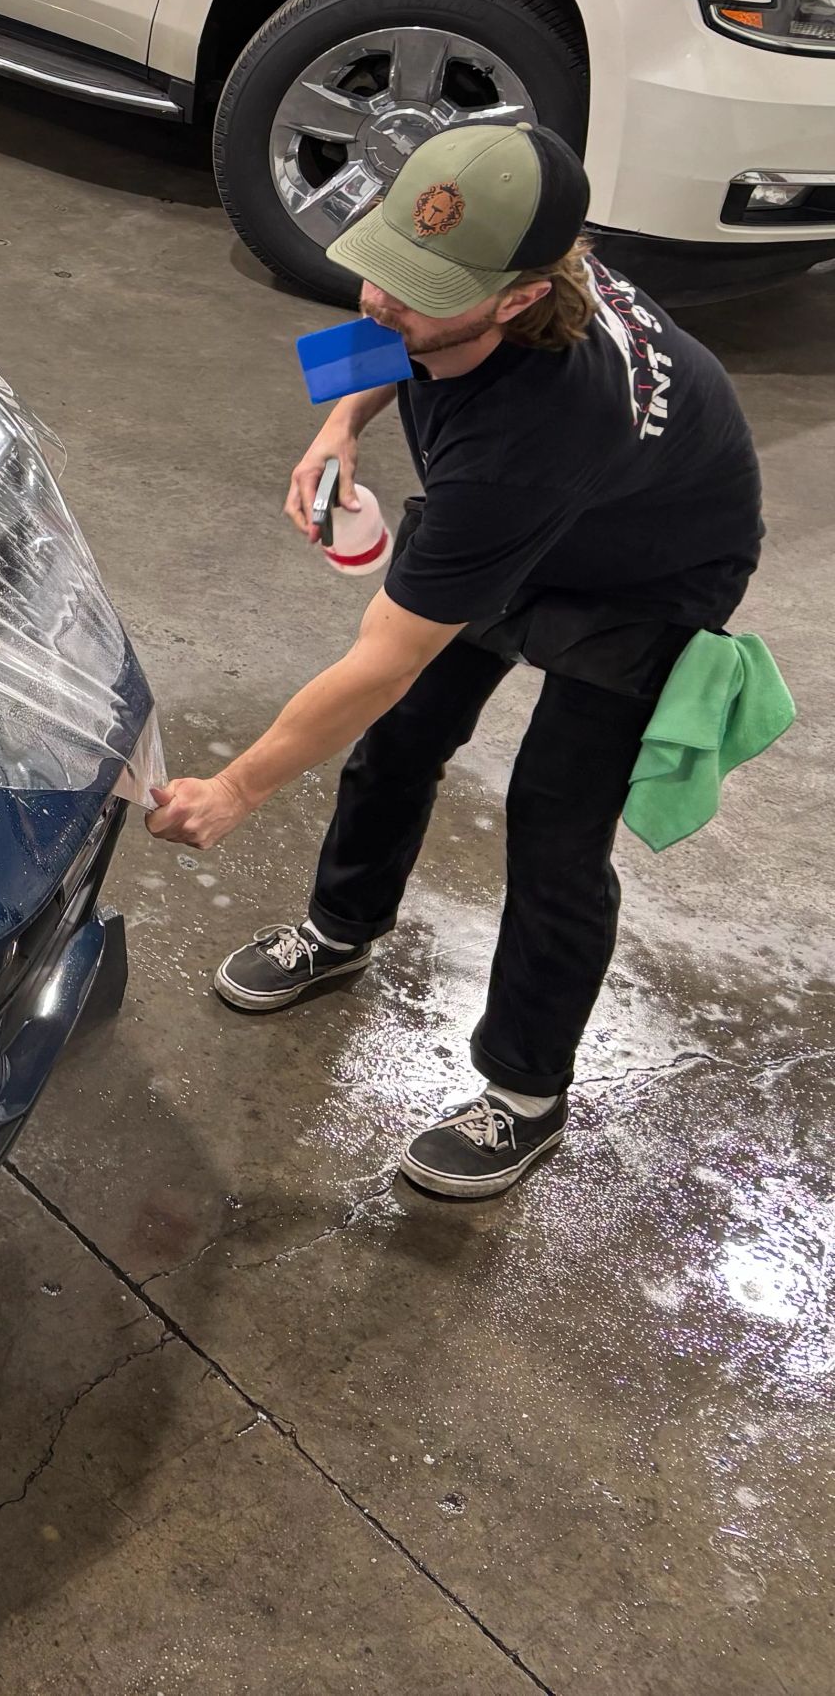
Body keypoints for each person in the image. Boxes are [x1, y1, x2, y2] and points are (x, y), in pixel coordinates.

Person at [148, 124, 763, 1199]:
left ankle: (525, 1096)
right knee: (404, 740)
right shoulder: (496, 256)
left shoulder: (523, 444)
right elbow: (389, 323)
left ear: (521, 298)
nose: (380, 299)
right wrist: (339, 425)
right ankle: (342, 929)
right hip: (546, 509)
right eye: (385, 262)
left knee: (553, 827)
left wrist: (237, 788)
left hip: (652, 571)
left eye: (420, 289)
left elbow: (381, 661)